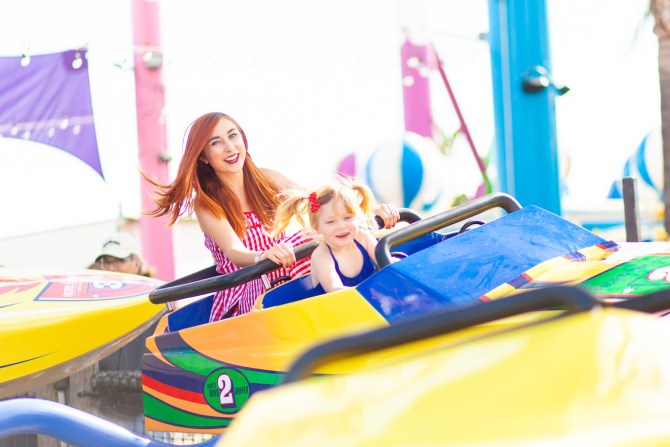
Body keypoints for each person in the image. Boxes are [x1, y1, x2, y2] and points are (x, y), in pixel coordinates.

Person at [145, 112, 399, 322]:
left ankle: (384, 288)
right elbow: (235, 251)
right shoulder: (208, 203)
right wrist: (261, 257)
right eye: (216, 143)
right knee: (304, 258)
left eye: (233, 136)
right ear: (203, 156)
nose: (230, 147)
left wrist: (367, 214)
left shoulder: (266, 179)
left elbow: (323, 203)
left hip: (288, 264)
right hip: (251, 281)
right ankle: (351, 304)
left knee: (337, 240)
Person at [272, 175, 381, 294]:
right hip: (336, 309)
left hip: (370, 302)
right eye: (330, 222)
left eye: (347, 217)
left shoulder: (363, 237)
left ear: (357, 218)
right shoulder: (321, 256)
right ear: (317, 228)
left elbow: (384, 259)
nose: (341, 226)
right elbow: (335, 290)